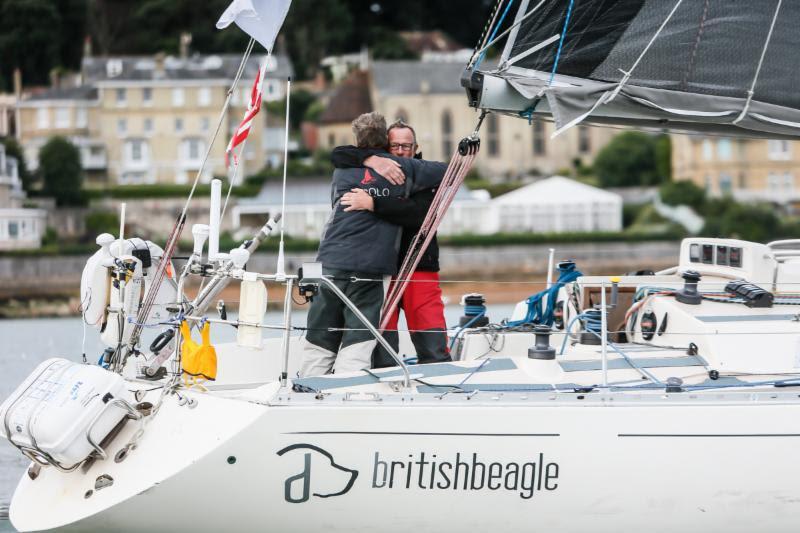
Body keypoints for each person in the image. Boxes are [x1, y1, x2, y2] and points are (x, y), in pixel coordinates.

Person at [299, 113, 447, 377]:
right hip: (381, 269)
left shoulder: (420, 177)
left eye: (407, 146)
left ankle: (440, 380)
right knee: (379, 345)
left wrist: (374, 203)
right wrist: (371, 159)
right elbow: (338, 153)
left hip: (417, 266)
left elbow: (421, 214)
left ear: (416, 149)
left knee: (430, 336)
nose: (401, 151)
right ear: (383, 148)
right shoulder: (369, 164)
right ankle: (378, 382)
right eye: (395, 146)